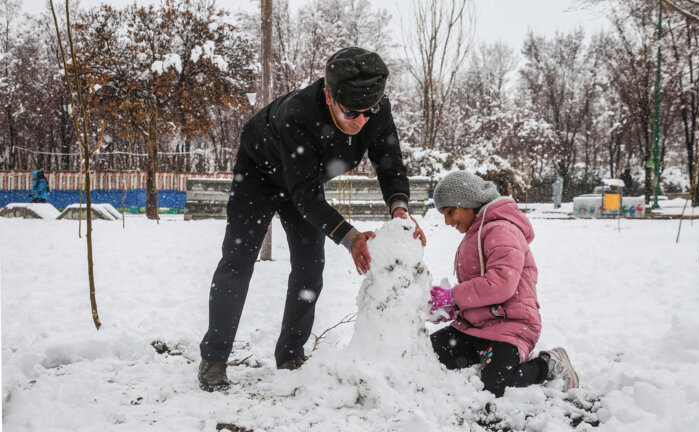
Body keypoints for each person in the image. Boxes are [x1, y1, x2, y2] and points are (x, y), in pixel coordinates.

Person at [198, 47, 426, 392]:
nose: (362, 120)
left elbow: (390, 164)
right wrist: (350, 237)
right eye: (352, 112)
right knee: (237, 261)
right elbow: (303, 195)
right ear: (329, 95)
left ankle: (291, 354)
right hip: (260, 175)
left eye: (369, 111)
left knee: (309, 265)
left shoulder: (376, 111)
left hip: (307, 182)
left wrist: (400, 212)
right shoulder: (299, 114)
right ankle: (214, 358)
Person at [428, 170, 578, 397]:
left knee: (498, 385)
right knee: (423, 355)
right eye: (443, 214)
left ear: (469, 203)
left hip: (510, 326)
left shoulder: (502, 230)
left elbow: (501, 284)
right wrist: (455, 306)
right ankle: (483, 359)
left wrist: (453, 296)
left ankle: (549, 364)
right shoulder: (475, 232)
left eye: (450, 212)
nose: (448, 221)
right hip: (473, 327)